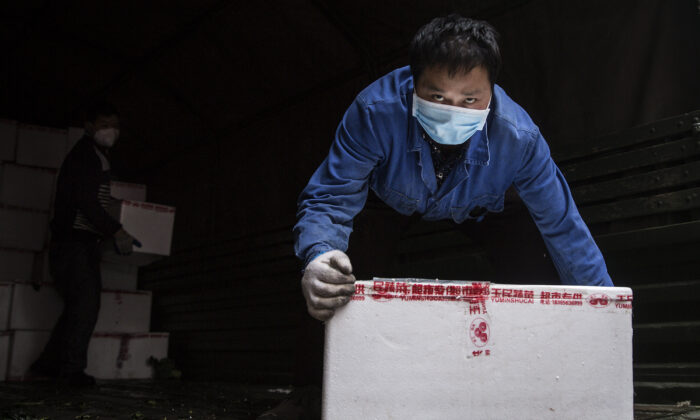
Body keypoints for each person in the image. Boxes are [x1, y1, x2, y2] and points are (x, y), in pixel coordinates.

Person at [294, 14, 613, 322]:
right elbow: (334, 195)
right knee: (335, 282)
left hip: (481, 209)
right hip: (384, 201)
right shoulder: (374, 112)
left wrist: (605, 308)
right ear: (413, 82)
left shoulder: (520, 138)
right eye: (437, 96)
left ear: (491, 89)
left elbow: (563, 225)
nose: (453, 111)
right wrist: (319, 254)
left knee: (533, 256)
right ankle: (313, 377)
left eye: (470, 100)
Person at [30, 101, 139, 386]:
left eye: (115, 126)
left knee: (77, 308)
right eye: (104, 125)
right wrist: (116, 230)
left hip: (77, 245)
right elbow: (86, 202)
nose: (111, 131)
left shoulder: (95, 155)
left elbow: (91, 201)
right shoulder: (86, 156)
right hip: (74, 245)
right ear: (89, 126)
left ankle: (47, 365)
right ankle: (71, 372)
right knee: (86, 306)